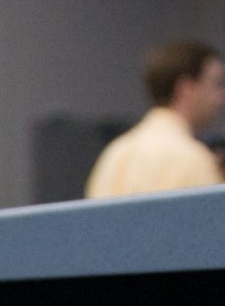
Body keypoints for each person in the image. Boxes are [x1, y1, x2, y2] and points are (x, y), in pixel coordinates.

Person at [86, 39, 225, 198]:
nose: (222, 97)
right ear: (186, 88)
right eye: (216, 84)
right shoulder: (192, 159)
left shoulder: (115, 153)